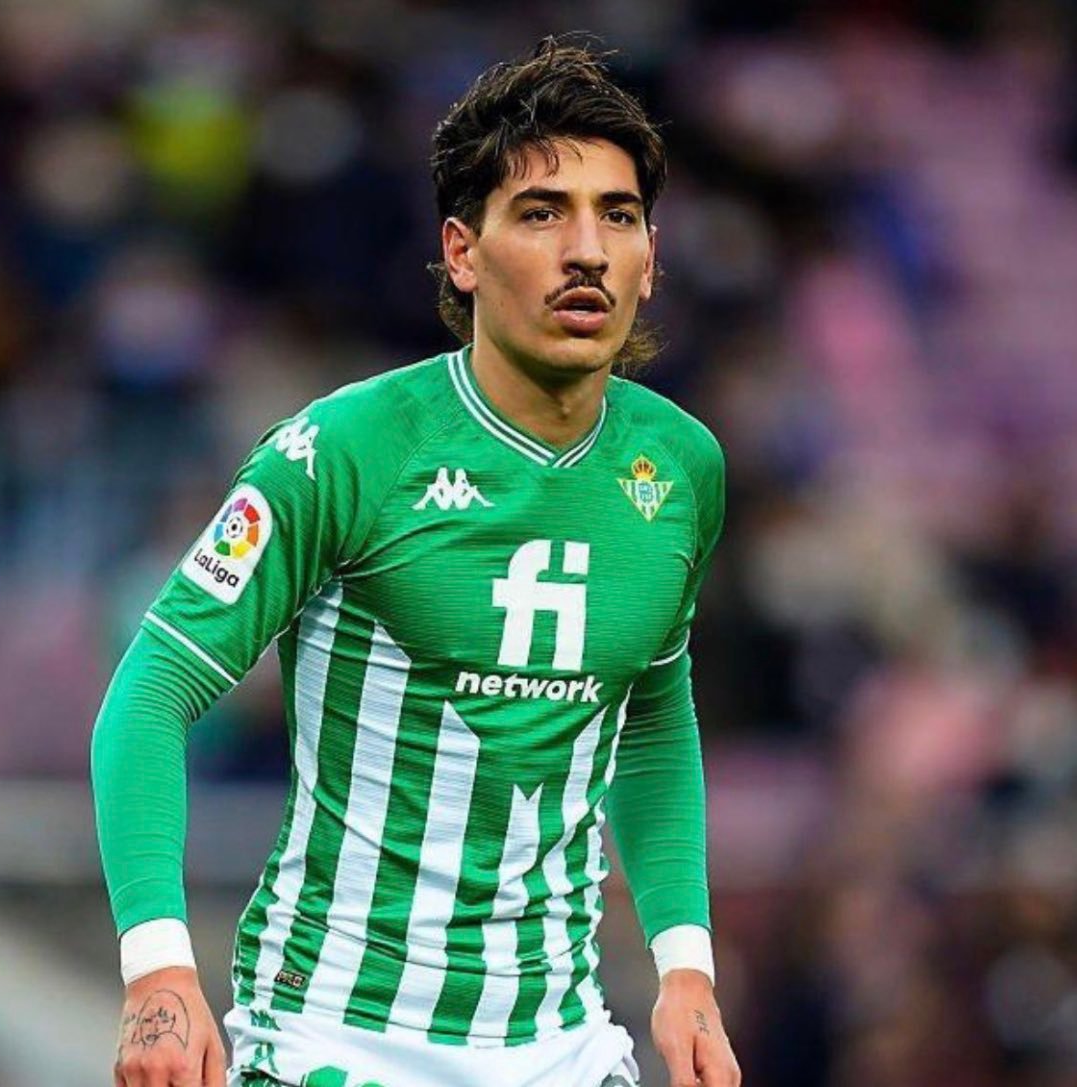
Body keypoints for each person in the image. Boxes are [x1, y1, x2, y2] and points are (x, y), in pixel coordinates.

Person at [92, 37, 740, 1087]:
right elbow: (152, 687)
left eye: (617, 216)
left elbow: (654, 718)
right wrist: (158, 969)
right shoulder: (344, 449)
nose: (587, 250)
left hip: (565, 1042)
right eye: (543, 213)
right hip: (337, 1036)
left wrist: (686, 967)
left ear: (651, 257)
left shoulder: (681, 466)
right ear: (462, 252)